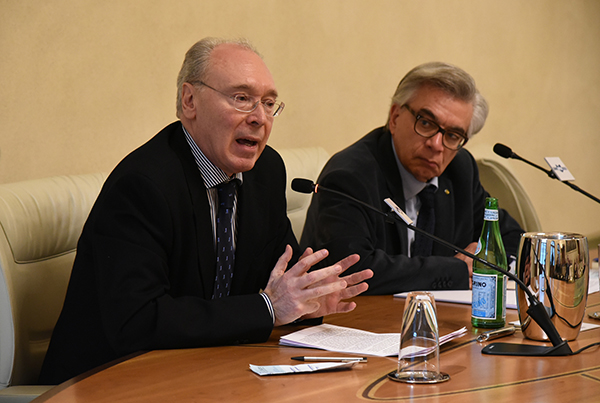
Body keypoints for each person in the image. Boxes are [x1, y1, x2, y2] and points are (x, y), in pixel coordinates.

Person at [39, 38, 373, 384]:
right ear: (190, 101)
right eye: (242, 99)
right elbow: (137, 321)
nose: (260, 118)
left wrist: (308, 300)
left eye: (269, 103)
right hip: (107, 381)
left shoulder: (265, 171)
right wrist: (269, 308)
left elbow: (278, 275)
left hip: (207, 371)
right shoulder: (143, 185)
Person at [300, 62, 523, 295]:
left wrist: (485, 261)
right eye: (426, 123)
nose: (436, 145)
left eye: (453, 135)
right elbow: (352, 270)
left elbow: (511, 237)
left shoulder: (460, 169)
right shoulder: (350, 176)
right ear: (395, 117)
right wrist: (456, 270)